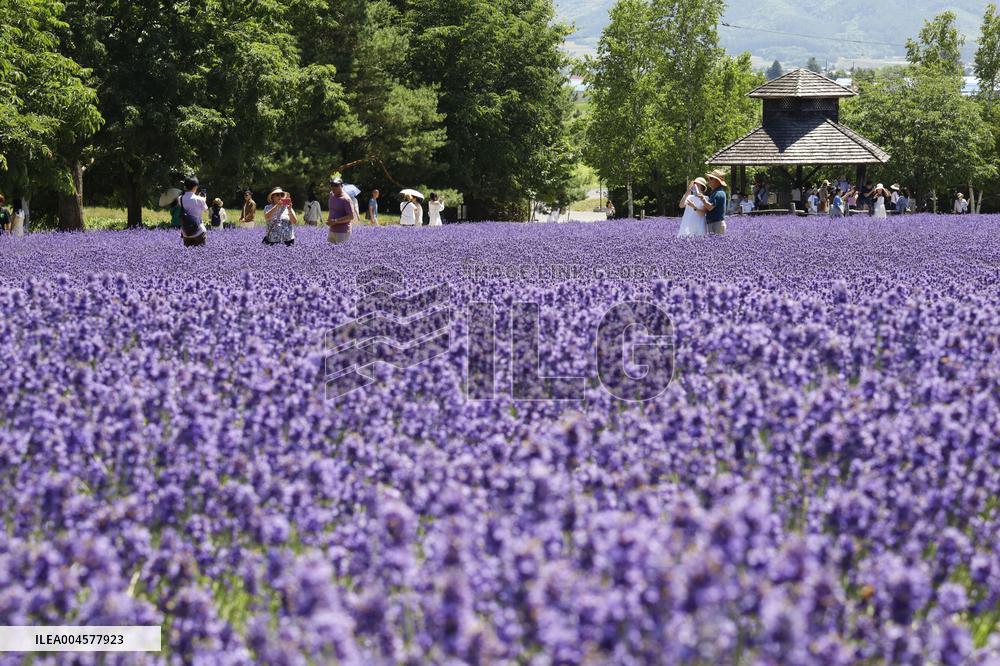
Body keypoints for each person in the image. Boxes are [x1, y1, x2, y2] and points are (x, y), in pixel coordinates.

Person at [178, 177, 208, 247]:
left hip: (186, 232)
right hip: (199, 231)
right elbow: (205, 209)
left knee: (187, 255)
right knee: (202, 254)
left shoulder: (180, 198)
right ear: (195, 187)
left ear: (185, 187)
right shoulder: (200, 199)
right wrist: (204, 199)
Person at [327, 178, 354, 244]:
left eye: (336, 185)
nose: (333, 187)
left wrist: (336, 221)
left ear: (342, 186)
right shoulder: (331, 195)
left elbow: (351, 216)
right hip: (332, 230)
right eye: (332, 185)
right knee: (329, 252)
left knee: (341, 253)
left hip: (342, 232)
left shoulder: (346, 199)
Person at [701, 170, 728, 235]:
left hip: (716, 224)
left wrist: (703, 199)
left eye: (711, 178)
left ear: (717, 181)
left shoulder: (718, 193)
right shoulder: (715, 192)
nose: (708, 181)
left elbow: (710, 207)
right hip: (714, 223)